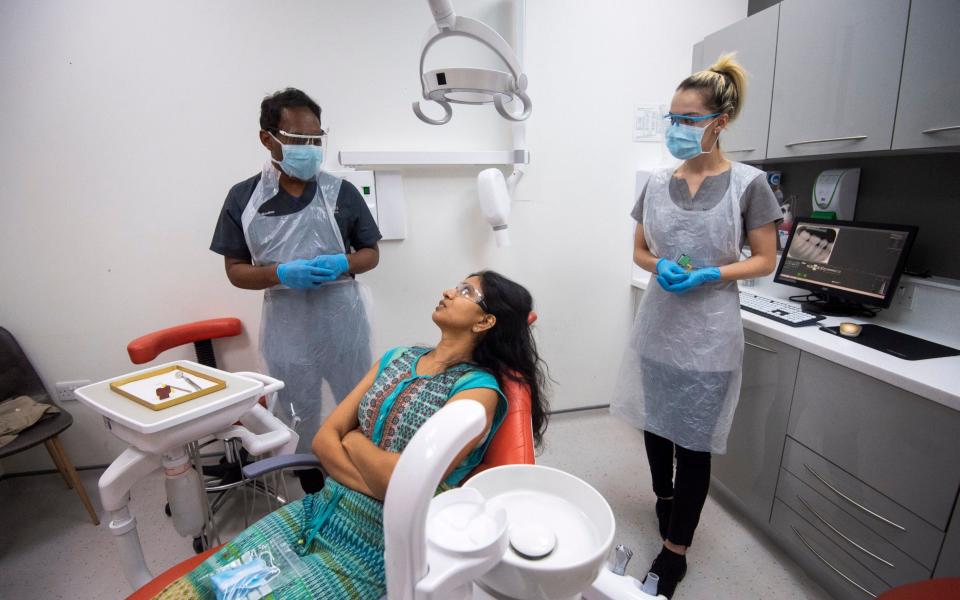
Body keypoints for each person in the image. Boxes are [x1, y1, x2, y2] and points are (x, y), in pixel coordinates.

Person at [155, 271, 549, 599]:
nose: (449, 291)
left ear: (484, 321)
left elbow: (400, 482)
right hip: (317, 509)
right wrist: (375, 470)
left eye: (466, 291)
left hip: (377, 545)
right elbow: (325, 438)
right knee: (202, 588)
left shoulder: (477, 392)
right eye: (456, 284)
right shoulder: (397, 358)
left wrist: (354, 441)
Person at [611, 53, 781, 598]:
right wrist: (654, 264)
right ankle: (665, 500)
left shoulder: (749, 185)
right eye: (672, 118)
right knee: (658, 426)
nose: (676, 129)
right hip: (659, 326)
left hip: (708, 334)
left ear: (718, 123)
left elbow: (765, 258)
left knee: (695, 443)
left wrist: (715, 272)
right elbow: (638, 248)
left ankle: (675, 553)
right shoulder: (657, 183)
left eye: (687, 120)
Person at [210, 88, 382, 493]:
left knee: (354, 404)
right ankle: (312, 486)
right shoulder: (243, 199)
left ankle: (358, 482)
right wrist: (281, 273)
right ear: (267, 138)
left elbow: (371, 254)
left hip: (345, 325)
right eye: (297, 140)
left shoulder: (341, 193)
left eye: (315, 140)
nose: (308, 149)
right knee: (299, 411)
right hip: (289, 329)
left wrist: (345, 262)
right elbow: (235, 271)